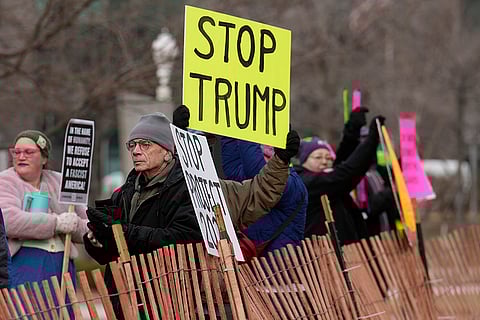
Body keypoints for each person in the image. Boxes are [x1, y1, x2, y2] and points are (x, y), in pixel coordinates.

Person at [84, 110, 298, 318]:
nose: (136, 150)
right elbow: (108, 255)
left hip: (179, 303)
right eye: (132, 144)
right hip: (128, 303)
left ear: (168, 151)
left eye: (145, 144)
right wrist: (95, 239)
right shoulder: (124, 193)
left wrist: (280, 160)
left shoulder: (201, 188)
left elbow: (257, 195)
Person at [0, 130, 88, 288]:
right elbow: (8, 220)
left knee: (62, 312)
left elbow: (84, 223)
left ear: (44, 157)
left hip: (62, 265)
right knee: (27, 311)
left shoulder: (60, 181)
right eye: (16, 152)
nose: (21, 157)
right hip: (25, 265)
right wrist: (56, 223)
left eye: (29, 152)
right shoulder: (5, 181)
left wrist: (84, 228)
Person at [294, 112, 385, 245]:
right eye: (318, 157)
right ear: (303, 161)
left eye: (328, 158)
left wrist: (352, 132)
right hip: (323, 255)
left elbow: (341, 164)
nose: (325, 162)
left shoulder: (326, 180)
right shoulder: (305, 182)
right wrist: (371, 141)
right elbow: (345, 174)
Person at [221, 137, 307, 256]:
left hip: (277, 267)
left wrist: (247, 131)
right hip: (253, 266)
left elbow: (258, 173)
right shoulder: (252, 178)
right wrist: (230, 133)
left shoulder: (292, 182)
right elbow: (233, 170)